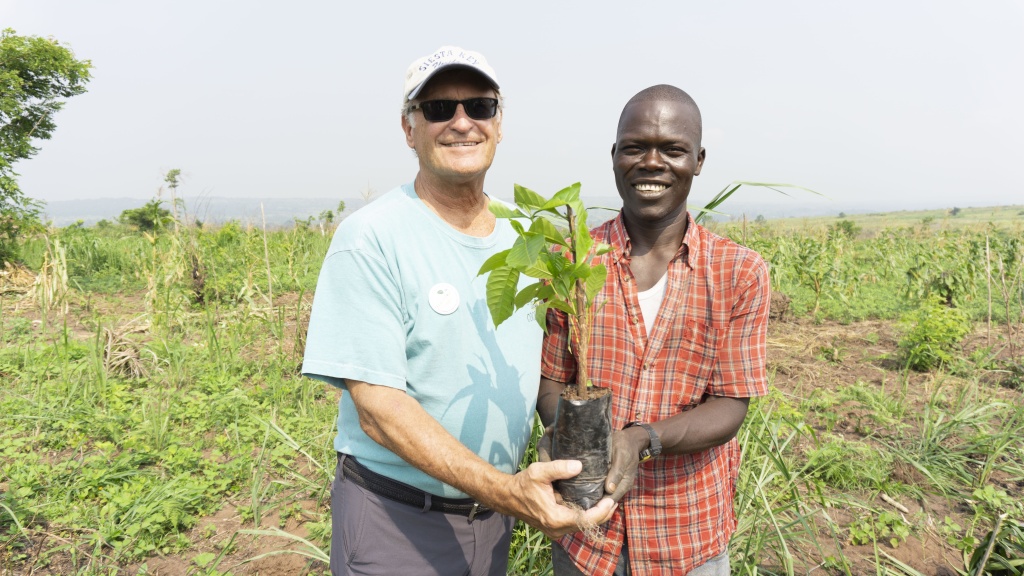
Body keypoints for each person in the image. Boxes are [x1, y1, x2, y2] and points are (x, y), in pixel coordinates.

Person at [301, 46, 615, 576]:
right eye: (439, 109)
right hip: (397, 521)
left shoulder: (527, 235)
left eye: (479, 106)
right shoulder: (371, 238)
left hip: (493, 521)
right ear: (409, 129)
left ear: (499, 123)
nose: (462, 123)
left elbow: (543, 366)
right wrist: (508, 491)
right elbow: (377, 409)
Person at [538, 85, 770, 575]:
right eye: (635, 147)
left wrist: (641, 437)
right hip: (586, 536)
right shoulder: (573, 261)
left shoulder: (738, 272)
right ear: (615, 155)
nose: (651, 162)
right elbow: (552, 382)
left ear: (699, 160)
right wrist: (563, 432)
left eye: (672, 149)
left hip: (687, 535)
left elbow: (731, 405)